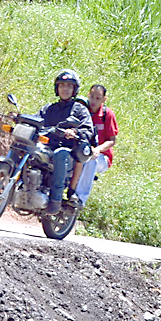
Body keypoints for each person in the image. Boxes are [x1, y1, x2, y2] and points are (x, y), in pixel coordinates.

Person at [37, 69, 93, 215]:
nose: (65, 89)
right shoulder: (49, 108)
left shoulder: (80, 109)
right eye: (62, 85)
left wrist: (75, 132)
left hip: (67, 150)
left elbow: (88, 130)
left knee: (60, 154)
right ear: (57, 88)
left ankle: (55, 202)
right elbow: (36, 119)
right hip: (47, 145)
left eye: (69, 86)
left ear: (74, 89)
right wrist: (20, 118)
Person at [69, 84, 118, 201]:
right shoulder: (83, 111)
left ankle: (80, 198)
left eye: (98, 98)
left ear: (104, 99)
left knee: (90, 159)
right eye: (92, 96)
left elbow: (112, 140)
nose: (94, 101)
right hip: (83, 149)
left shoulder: (107, 115)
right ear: (88, 95)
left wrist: (98, 149)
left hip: (102, 156)